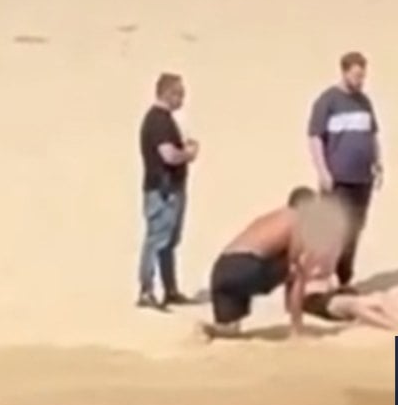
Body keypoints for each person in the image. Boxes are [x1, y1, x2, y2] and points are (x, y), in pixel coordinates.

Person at [200, 187, 341, 340]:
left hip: (221, 270)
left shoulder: (271, 218)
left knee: (229, 332)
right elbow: (295, 263)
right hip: (245, 267)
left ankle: (206, 331)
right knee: (297, 270)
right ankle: (296, 331)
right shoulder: (297, 219)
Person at [308, 51, 382, 293]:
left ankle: (345, 278)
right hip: (338, 179)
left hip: (363, 179)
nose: (361, 80)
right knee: (333, 230)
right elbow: (315, 137)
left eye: (363, 76)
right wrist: (323, 171)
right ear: (344, 72)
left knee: (354, 229)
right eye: (357, 75)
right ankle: (321, 279)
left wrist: (378, 163)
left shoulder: (364, 102)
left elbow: (372, 135)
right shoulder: (328, 101)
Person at [137, 73, 198, 310]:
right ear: (168, 93)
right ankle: (146, 291)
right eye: (179, 94)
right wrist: (188, 154)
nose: (182, 99)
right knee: (156, 240)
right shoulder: (158, 121)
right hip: (161, 191)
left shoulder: (165, 120)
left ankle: (170, 289)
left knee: (169, 241)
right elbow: (168, 155)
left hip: (171, 188)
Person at [302, 277, 398, 330]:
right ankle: (396, 329)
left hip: (337, 296)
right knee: (355, 306)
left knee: (380, 300)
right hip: (318, 301)